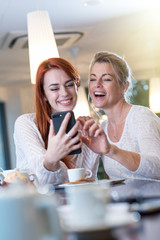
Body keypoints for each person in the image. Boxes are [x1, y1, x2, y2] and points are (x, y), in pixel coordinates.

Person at [13, 58, 99, 185]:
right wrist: (51, 160)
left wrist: (101, 146)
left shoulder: (85, 130)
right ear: (43, 95)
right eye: (54, 89)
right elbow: (42, 182)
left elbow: (89, 181)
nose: (64, 93)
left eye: (69, 84)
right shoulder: (26, 123)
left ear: (76, 86)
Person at [78, 51, 160, 180]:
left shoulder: (141, 117)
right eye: (93, 79)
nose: (97, 84)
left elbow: (157, 167)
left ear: (124, 87)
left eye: (106, 79)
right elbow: (88, 175)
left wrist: (112, 150)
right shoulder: (103, 128)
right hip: (123, 199)